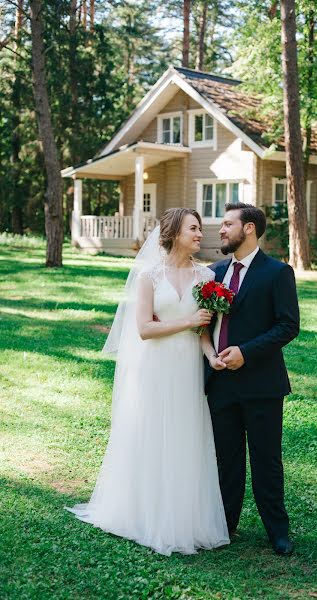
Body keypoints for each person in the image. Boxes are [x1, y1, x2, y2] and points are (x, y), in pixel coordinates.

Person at [66, 208, 230, 556]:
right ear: (174, 233)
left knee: (184, 435)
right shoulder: (149, 276)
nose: (201, 234)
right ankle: (143, 511)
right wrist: (187, 321)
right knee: (154, 433)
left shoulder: (206, 275)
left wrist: (211, 355)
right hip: (155, 366)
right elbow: (143, 328)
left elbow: (203, 330)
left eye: (201, 228)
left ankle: (184, 516)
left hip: (186, 369)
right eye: (194, 228)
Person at [205, 202, 300, 556]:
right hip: (221, 383)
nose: (221, 228)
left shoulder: (277, 272)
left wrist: (246, 351)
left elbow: (288, 325)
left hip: (262, 384)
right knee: (227, 461)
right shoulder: (213, 273)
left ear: (248, 229)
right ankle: (225, 525)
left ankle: (277, 530)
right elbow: (205, 324)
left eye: (228, 223)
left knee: (266, 460)